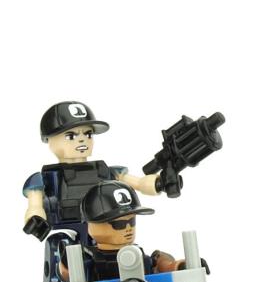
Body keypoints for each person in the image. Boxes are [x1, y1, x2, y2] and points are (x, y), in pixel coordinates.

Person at [21, 101, 165, 239]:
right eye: (71, 136)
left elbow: (139, 183)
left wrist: (160, 184)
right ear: (50, 140)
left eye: (88, 134)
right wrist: (35, 217)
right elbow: (35, 205)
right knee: (64, 246)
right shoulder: (44, 178)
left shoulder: (105, 171)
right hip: (70, 230)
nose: (82, 140)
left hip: (107, 229)